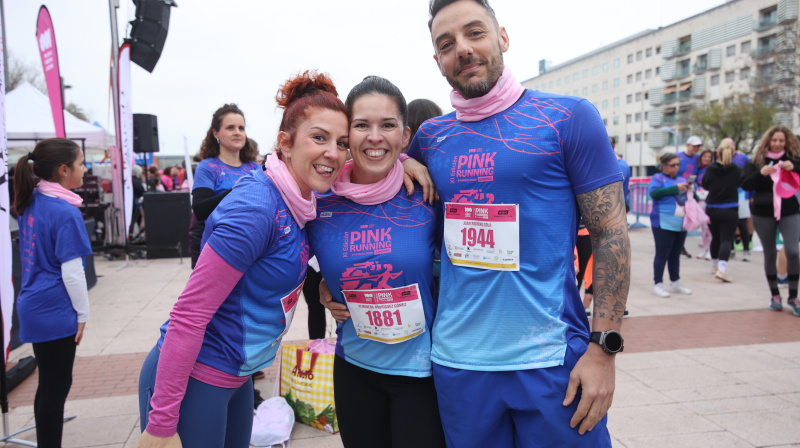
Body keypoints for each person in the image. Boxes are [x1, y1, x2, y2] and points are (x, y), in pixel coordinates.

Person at [403, 1, 630, 446]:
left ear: (502, 37)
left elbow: (609, 234)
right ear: (437, 61)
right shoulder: (429, 138)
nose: (463, 49)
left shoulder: (568, 117)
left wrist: (604, 350)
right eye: (447, 44)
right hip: (459, 366)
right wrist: (327, 280)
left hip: (551, 363)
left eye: (475, 33)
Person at [136, 71, 350, 448]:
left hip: (238, 378)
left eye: (342, 142)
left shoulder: (304, 200)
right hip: (196, 377)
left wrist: (411, 162)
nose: (333, 152)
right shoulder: (257, 207)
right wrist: (161, 425)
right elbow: (189, 315)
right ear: (285, 144)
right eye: (319, 137)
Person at [310, 76, 445, 448]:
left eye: (387, 125)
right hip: (354, 367)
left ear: (404, 135)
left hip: (421, 372)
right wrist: (323, 284)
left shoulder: (427, 192)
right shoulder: (321, 197)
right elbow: (295, 253)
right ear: (347, 134)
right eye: (361, 125)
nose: (374, 136)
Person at [13, 138, 92, 448]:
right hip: (54, 309)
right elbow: (72, 273)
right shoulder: (64, 212)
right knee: (56, 387)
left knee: (48, 384)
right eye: (81, 163)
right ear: (63, 170)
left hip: (33, 305)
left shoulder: (31, 198)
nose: (85, 169)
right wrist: (83, 314)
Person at [189, 104, 260, 268]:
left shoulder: (255, 169)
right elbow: (200, 209)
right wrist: (237, 190)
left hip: (253, 249)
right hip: (219, 249)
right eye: (230, 127)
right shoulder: (207, 167)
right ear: (216, 133)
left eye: (241, 128)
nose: (237, 132)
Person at [741, 125, 800, 316]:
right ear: (768, 141)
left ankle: (793, 295)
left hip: (789, 209)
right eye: (774, 140)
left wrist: (795, 168)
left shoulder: (793, 159)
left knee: (792, 250)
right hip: (763, 211)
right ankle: (775, 295)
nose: (777, 144)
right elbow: (745, 183)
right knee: (769, 254)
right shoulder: (756, 161)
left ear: (787, 142)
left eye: (781, 141)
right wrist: (761, 173)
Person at [649, 153, 694, 297]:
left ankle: (675, 282)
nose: (676, 168)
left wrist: (691, 191)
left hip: (680, 222)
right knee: (662, 253)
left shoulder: (682, 179)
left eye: (677, 165)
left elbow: (692, 199)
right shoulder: (658, 178)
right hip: (662, 222)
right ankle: (658, 283)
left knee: (675, 253)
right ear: (663, 166)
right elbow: (654, 193)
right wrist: (675, 189)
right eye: (672, 165)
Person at [702, 141, 742, 282]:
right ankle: (722, 269)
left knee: (715, 238)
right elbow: (740, 183)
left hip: (712, 208)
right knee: (726, 239)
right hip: (729, 208)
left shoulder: (711, 168)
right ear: (732, 154)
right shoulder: (736, 169)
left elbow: (705, 184)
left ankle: (714, 265)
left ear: (717, 154)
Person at [729, 138, 754, 261]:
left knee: (742, 223)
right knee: (729, 224)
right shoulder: (719, 160)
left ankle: (746, 250)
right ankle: (731, 248)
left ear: (734, 146)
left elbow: (752, 172)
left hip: (741, 195)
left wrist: (752, 193)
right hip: (727, 197)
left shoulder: (742, 158)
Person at [695, 149, 715, 260]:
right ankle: (705, 249)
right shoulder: (698, 170)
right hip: (700, 200)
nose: (707, 159)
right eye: (705, 156)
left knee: (709, 226)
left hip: (710, 200)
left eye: (709, 157)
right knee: (703, 227)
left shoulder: (712, 169)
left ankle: (711, 251)